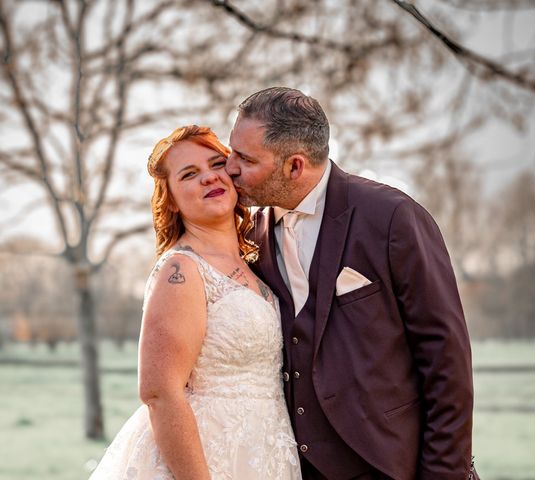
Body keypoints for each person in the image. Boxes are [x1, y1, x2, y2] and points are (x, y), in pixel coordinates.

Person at [226, 87, 478, 480]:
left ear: (294, 166)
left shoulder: (392, 217)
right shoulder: (250, 236)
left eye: (245, 158)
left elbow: (446, 358)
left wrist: (443, 474)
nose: (229, 168)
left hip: (390, 464)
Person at [89, 125, 302, 480]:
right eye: (189, 174)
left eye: (217, 164)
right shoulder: (182, 269)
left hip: (267, 454)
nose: (208, 178)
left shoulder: (255, 265)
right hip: (206, 461)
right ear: (170, 198)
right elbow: (160, 392)